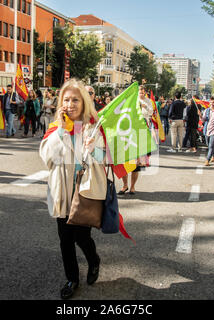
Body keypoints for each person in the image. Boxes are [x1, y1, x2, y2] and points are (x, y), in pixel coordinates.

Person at [39, 78, 106, 300]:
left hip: (84, 191)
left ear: (84, 102)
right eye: (66, 99)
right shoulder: (55, 128)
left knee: (82, 237)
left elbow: (106, 158)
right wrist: (61, 132)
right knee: (65, 239)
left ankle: (93, 259)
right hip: (61, 189)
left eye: (75, 99)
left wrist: (93, 148)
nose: (70, 104)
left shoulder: (94, 126)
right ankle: (72, 279)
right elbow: (47, 159)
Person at [118, 86, 153, 196]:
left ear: (145, 93)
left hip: (141, 131)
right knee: (125, 161)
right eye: (140, 93)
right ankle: (125, 185)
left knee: (137, 162)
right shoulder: (132, 101)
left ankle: (132, 186)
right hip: (129, 132)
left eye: (143, 93)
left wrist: (145, 106)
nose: (141, 94)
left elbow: (151, 113)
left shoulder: (148, 101)